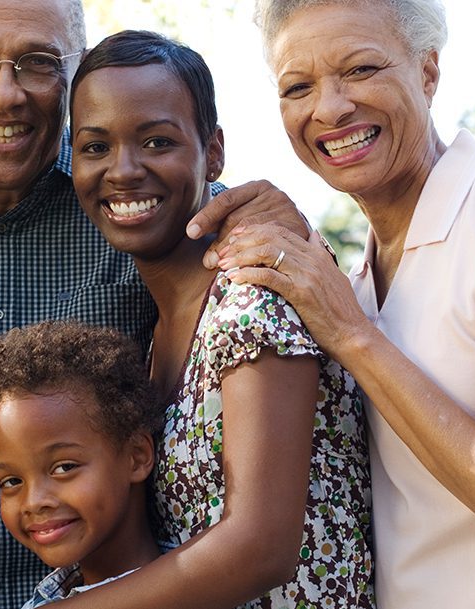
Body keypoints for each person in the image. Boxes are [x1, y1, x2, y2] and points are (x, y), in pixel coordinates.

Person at [0, 0, 311, 607]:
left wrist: (286, 220)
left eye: (37, 62)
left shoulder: (129, 207)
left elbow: (232, 224)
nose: (5, 94)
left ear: (75, 82)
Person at [214, 1, 475, 607]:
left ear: (428, 71)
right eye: (298, 86)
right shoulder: (358, 277)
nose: (330, 107)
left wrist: (351, 333)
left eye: (362, 69)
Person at [35, 30, 371, 609]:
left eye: (157, 141)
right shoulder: (154, 335)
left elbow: (261, 545)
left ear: (213, 151)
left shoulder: (252, 299)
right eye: (95, 147)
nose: (123, 170)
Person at [0, 320, 164, 608]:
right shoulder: (56, 594)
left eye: (64, 467)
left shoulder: (201, 592)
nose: (34, 502)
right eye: (11, 481)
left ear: (136, 456)